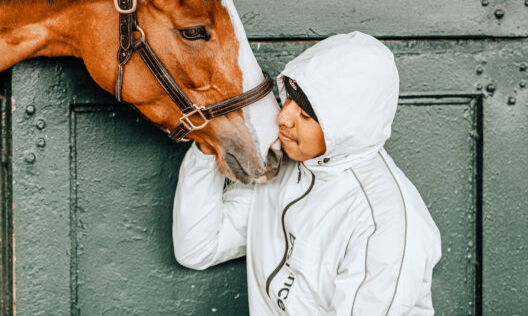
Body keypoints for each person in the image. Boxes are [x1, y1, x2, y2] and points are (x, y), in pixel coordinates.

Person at [172, 31, 441, 315]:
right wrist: (208, 146)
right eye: (289, 98)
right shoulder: (286, 163)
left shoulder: (384, 226)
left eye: (306, 115)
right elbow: (198, 247)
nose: (282, 117)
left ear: (344, 130)